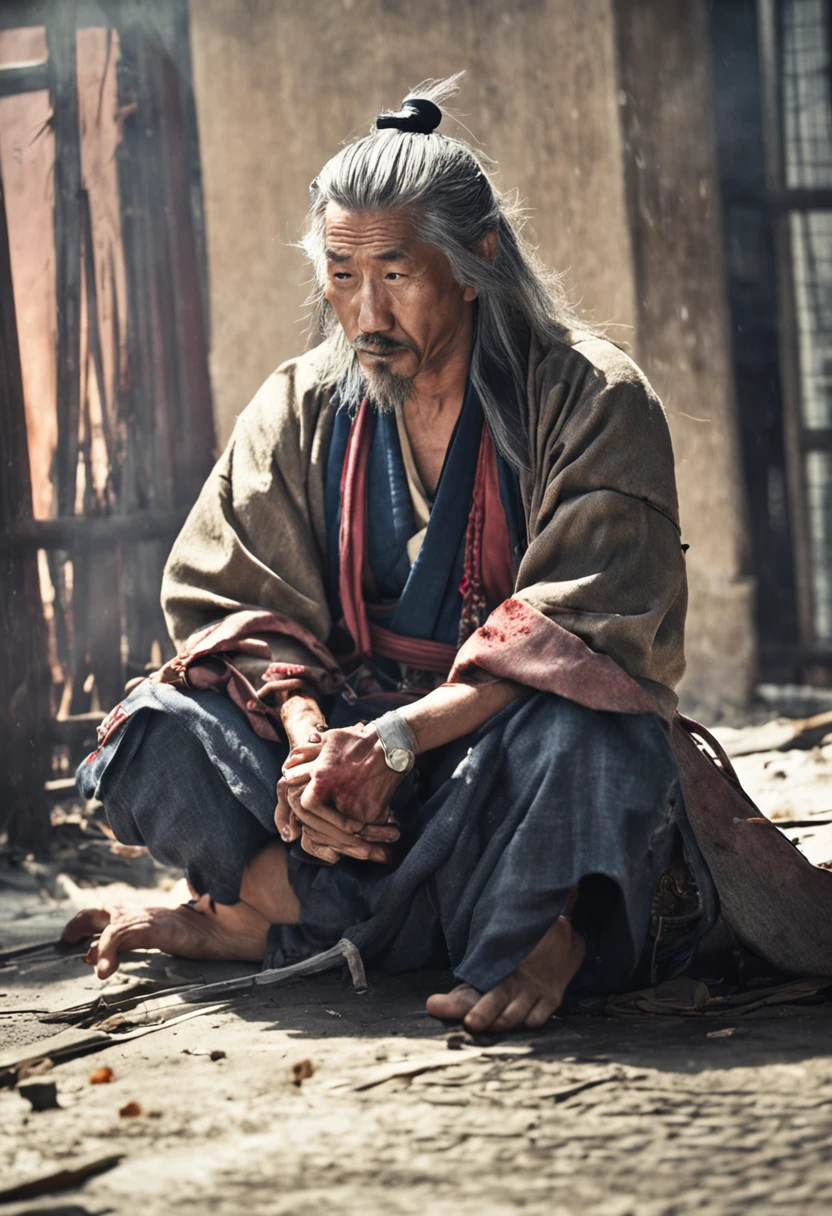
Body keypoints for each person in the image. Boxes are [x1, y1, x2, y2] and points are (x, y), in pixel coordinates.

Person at [62, 77, 832, 1032]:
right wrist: (312, 746)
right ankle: (318, 904)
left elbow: (583, 634)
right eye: (342, 276)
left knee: (590, 738)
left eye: (396, 273)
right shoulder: (303, 404)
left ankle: (529, 930)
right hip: (350, 763)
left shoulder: (588, 397)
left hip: (492, 747)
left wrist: (397, 742)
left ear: (476, 261)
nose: (366, 314)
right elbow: (234, 598)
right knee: (160, 723)